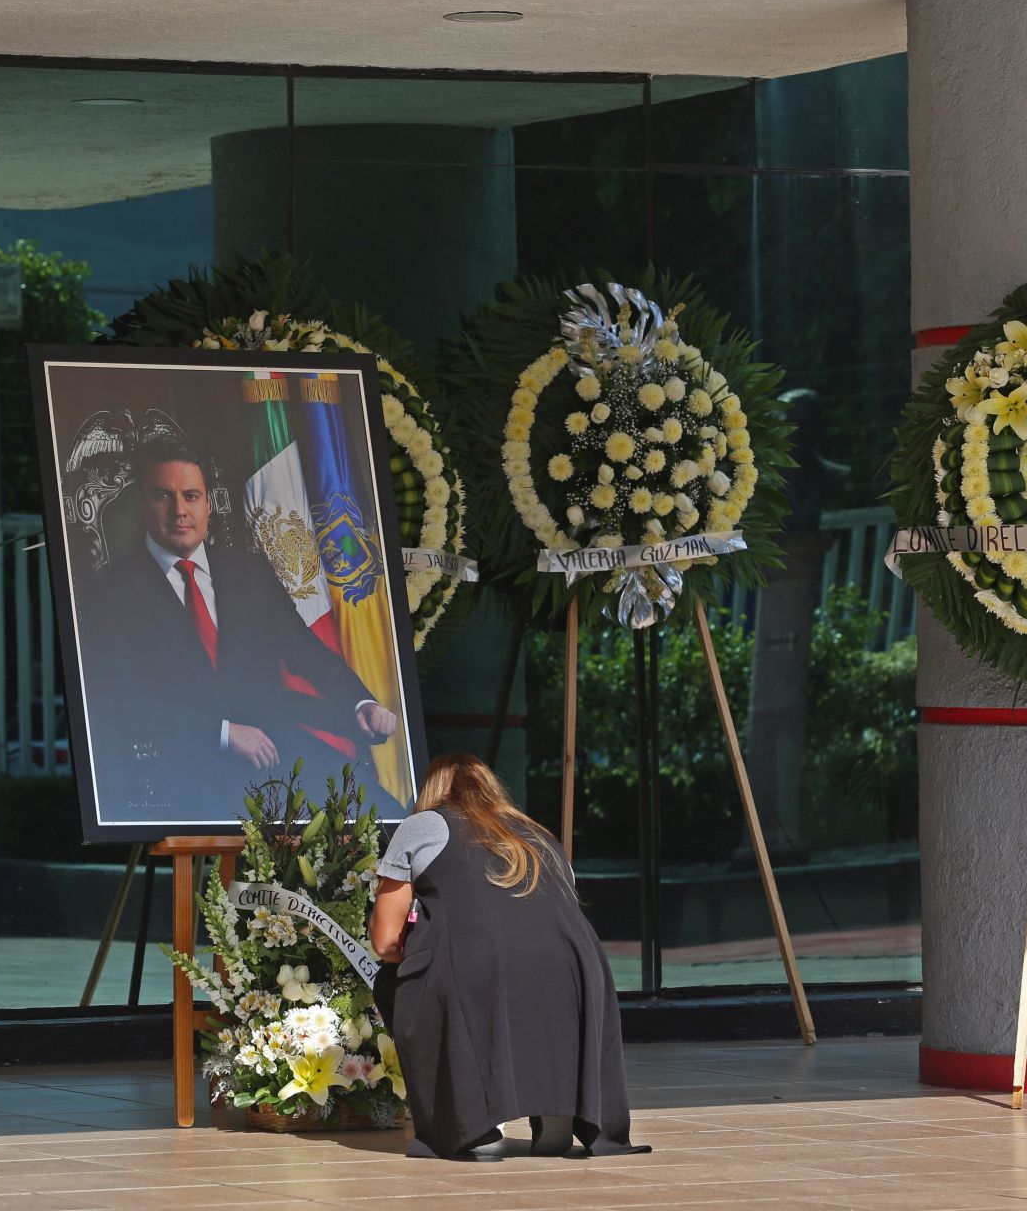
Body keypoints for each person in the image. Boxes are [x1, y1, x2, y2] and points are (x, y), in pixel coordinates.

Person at [79, 438, 399, 818]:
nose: (179, 510)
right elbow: (125, 702)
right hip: (186, 767)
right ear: (142, 504)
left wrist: (359, 703)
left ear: (208, 504)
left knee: (388, 821)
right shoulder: (111, 593)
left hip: (279, 750)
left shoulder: (249, 572)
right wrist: (224, 734)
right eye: (163, 495)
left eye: (191, 495)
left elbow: (306, 652)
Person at [369, 752, 650, 1161]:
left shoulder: (423, 825)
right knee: (529, 980)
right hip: (577, 968)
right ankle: (555, 1108)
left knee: (403, 980)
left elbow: (384, 941)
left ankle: (475, 1125)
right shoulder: (538, 833)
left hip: (481, 962)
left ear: (432, 791)